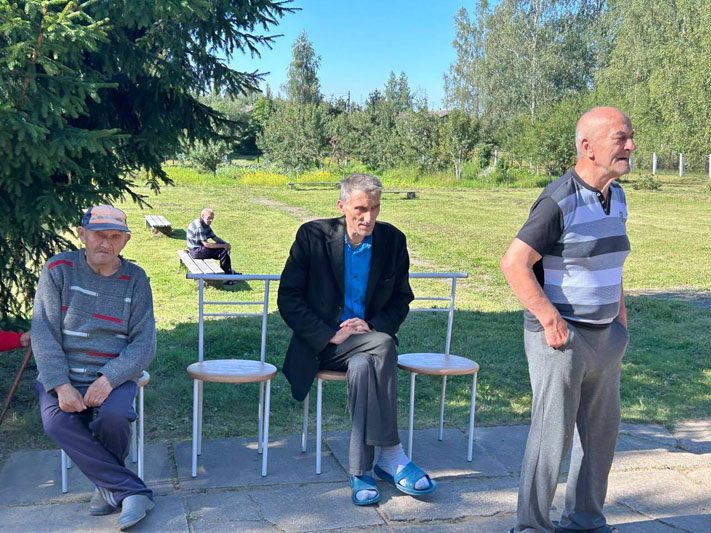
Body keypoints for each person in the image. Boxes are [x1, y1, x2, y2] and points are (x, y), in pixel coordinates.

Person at [500, 107, 635, 533]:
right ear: (588, 147)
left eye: (630, 137)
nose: (631, 146)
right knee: (550, 439)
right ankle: (531, 527)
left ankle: (585, 522)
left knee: (600, 439)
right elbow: (514, 263)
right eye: (621, 138)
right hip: (563, 340)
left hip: (606, 338)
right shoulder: (558, 200)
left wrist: (619, 319)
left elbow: (610, 260)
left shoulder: (617, 195)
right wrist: (550, 320)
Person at [278, 173, 436, 507]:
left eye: (374, 208)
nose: (368, 217)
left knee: (365, 363)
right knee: (385, 344)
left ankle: (360, 471)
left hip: (366, 343)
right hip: (323, 347)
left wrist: (371, 325)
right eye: (360, 209)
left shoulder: (392, 241)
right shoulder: (312, 236)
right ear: (342, 206)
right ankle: (392, 453)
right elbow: (288, 298)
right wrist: (330, 333)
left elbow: (401, 299)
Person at [32, 205, 156, 530]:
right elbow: (43, 331)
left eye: (115, 237)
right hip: (65, 373)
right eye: (100, 235)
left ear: (125, 241)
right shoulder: (58, 269)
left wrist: (109, 378)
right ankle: (131, 491)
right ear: (82, 235)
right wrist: (61, 385)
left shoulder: (135, 278)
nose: (106, 243)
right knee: (56, 422)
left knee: (114, 417)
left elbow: (144, 342)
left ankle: (108, 489)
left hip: (114, 373)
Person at [186, 208, 237, 283]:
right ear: (202, 216)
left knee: (223, 250)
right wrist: (223, 246)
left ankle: (228, 274)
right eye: (209, 218)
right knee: (223, 251)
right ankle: (228, 277)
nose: (211, 220)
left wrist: (225, 244)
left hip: (199, 249)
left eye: (212, 218)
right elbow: (206, 244)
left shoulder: (205, 224)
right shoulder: (199, 226)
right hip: (195, 251)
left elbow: (214, 237)